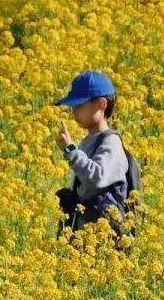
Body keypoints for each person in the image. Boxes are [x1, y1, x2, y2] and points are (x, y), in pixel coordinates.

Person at [54, 69, 132, 237]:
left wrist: (71, 151)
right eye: (73, 106)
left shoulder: (111, 142)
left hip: (104, 236)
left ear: (102, 104)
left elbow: (97, 177)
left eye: (80, 105)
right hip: (87, 232)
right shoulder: (88, 141)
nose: (74, 111)